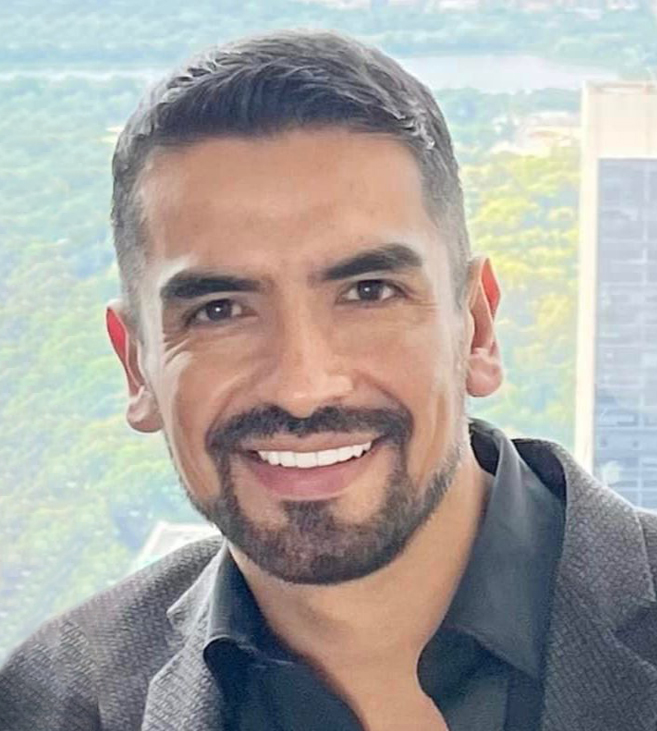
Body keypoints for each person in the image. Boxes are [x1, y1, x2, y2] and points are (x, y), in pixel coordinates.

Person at [1, 29, 657, 731]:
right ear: (137, 366)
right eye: (219, 310)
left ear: (477, 329)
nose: (303, 386)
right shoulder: (50, 704)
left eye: (368, 292)